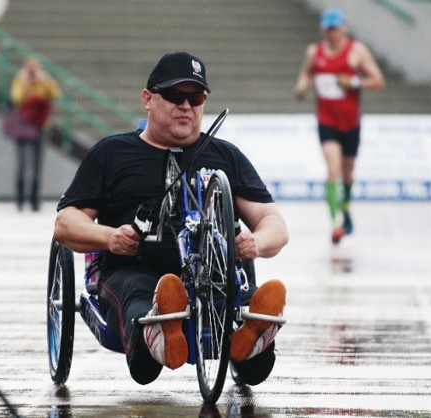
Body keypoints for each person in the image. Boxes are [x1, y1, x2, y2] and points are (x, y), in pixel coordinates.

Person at [54, 51, 289, 386]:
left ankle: (253, 336)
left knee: (252, 353)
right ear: (147, 99)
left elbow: (273, 222)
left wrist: (256, 242)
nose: (186, 106)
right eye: (175, 96)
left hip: (214, 276)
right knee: (139, 298)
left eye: (195, 98)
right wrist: (109, 237)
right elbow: (65, 223)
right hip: (132, 270)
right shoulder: (111, 153)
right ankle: (160, 332)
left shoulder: (226, 156)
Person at [293, 9, 385, 244]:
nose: (332, 33)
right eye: (329, 29)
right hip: (327, 121)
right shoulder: (314, 52)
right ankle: (335, 224)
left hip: (351, 122)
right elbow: (306, 74)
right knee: (332, 170)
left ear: (344, 28)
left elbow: (378, 80)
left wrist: (354, 81)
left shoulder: (356, 51)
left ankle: (345, 207)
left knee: (348, 171)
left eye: (336, 28)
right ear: (324, 29)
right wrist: (302, 86)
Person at [9, 57, 61, 211]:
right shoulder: (20, 80)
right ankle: (20, 199)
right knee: (22, 164)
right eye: (29, 68)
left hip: (40, 127)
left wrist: (44, 79)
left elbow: (55, 93)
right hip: (23, 127)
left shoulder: (42, 81)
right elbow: (16, 98)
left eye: (35, 68)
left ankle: (34, 200)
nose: (32, 72)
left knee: (37, 165)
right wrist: (25, 83)